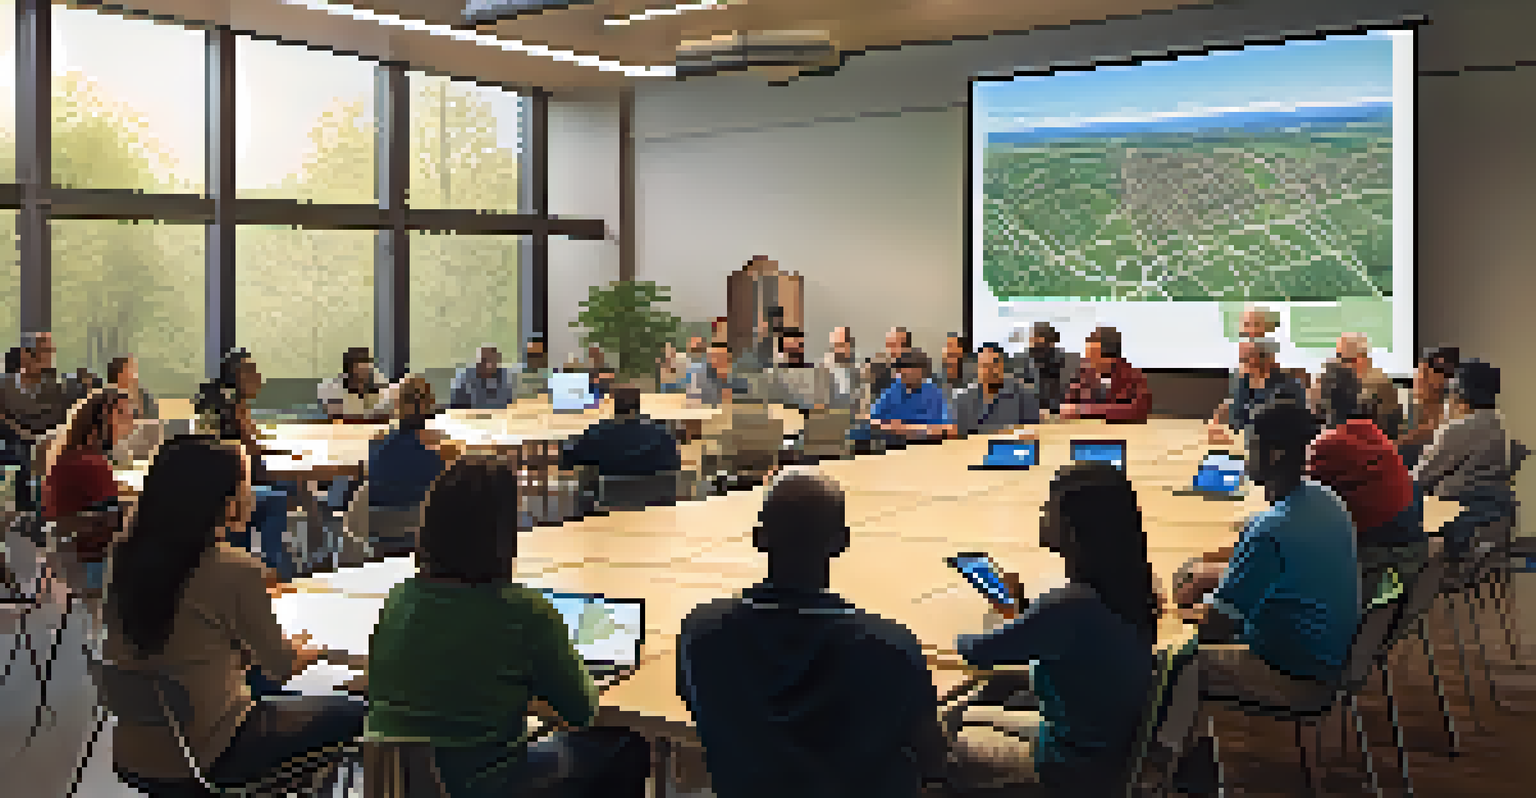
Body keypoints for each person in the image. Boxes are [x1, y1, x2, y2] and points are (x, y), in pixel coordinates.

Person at [366, 455, 652, 798]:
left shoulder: (398, 599)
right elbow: (581, 712)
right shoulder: (522, 611)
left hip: (398, 785)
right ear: (503, 533)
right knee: (624, 746)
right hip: (483, 788)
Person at [105, 435, 364, 793]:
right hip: (211, 751)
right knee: (356, 710)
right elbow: (282, 666)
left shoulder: (124, 557)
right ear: (225, 502)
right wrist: (310, 650)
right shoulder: (234, 569)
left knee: (270, 691)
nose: (253, 495)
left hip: (139, 750)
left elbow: (182, 643)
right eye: (246, 485)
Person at [677, 468, 947, 798]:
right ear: (842, 542)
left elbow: (699, 710)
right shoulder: (891, 646)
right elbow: (932, 758)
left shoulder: (699, 632)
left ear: (758, 538)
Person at [948, 462, 1161, 797]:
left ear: (1073, 525)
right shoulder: (1130, 590)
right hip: (1107, 753)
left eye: (1049, 506)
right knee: (967, 712)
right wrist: (1022, 616)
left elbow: (975, 650)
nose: (1042, 513)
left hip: (1071, 767)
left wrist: (1003, 619)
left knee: (941, 739)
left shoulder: (1070, 606)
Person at [1174, 400, 1361, 706]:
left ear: (1273, 454)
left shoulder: (1269, 531)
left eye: (1250, 447)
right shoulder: (1327, 500)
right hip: (1329, 658)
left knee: (1170, 664)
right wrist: (1212, 580)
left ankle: (1172, 752)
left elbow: (1215, 628)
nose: (1245, 459)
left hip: (1296, 677)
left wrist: (1180, 613)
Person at [1307, 361, 1424, 590]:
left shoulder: (1327, 445)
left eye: (1312, 386)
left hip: (1375, 568)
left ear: (1323, 398)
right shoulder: (1374, 432)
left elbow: (1298, 502)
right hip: (1409, 564)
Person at [194, 349, 302, 579]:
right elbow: (249, 445)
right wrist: (285, 451)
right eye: (251, 372)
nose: (258, 378)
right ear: (236, 376)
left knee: (296, 489)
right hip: (231, 485)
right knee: (283, 496)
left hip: (236, 480)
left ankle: (284, 562)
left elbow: (252, 440)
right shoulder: (230, 405)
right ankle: (276, 569)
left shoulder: (225, 402)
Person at [1413, 359, 1515, 560]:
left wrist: (1445, 423)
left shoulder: (1458, 429)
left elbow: (1420, 478)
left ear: (1459, 393)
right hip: (1493, 515)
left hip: (1457, 516)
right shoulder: (1498, 423)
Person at [40, 388, 135, 593]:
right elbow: (113, 527)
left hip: (65, 562)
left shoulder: (68, 456)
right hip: (91, 567)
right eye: (122, 414)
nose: (131, 422)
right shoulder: (93, 464)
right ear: (100, 422)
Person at [0, 332, 91, 511]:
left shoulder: (61, 387)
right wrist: (20, 431)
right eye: (45, 352)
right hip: (15, 444)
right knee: (25, 455)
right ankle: (27, 513)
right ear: (26, 355)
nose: (50, 359)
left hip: (51, 442)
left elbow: (80, 407)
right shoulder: (4, 386)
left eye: (51, 352)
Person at [367, 376, 452, 512]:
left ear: (397, 405)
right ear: (431, 404)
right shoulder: (441, 457)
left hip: (377, 528)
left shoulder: (375, 449)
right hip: (427, 528)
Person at [559, 386, 682, 477]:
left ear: (614, 406)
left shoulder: (595, 435)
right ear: (638, 406)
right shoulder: (662, 436)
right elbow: (675, 464)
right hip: (655, 503)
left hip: (605, 506)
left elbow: (567, 461)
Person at [1207, 338, 1306, 444]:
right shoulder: (1243, 382)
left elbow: (1277, 429)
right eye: (1242, 359)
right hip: (1239, 444)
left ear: (1267, 360)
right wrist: (1215, 422)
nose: (1241, 364)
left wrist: (1234, 439)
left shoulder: (1287, 389)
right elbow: (1230, 406)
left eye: (1247, 359)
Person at [1060, 327, 1152, 423]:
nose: (1087, 358)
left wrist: (1086, 410)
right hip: (1087, 432)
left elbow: (1138, 411)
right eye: (1086, 354)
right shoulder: (1084, 374)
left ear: (1111, 358)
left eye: (1092, 354)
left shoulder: (1133, 377)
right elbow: (1068, 405)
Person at [949, 343, 1041, 435]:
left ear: (1003, 365)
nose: (990, 369)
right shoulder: (964, 400)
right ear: (977, 368)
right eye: (985, 365)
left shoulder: (1024, 396)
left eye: (995, 363)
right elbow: (961, 436)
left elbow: (1034, 431)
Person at [1327, 332, 1403, 440]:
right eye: (1339, 358)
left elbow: (1388, 428)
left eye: (1346, 359)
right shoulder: (1334, 380)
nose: (1342, 364)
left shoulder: (1381, 384)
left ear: (1362, 357)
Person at [869, 350, 958, 441]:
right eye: (902, 369)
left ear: (923, 372)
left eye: (911, 368)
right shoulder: (892, 391)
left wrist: (903, 428)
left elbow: (948, 428)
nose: (905, 373)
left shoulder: (934, 393)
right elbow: (872, 420)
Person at [1396, 346, 1460, 470]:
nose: (1417, 379)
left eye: (1424, 375)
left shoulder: (1449, 425)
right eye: (1419, 372)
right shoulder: (1410, 410)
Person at [316, 347, 395, 420]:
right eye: (360, 365)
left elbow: (389, 409)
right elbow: (334, 414)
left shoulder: (378, 383)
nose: (365, 369)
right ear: (350, 369)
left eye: (367, 364)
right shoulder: (334, 388)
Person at [1016, 322, 1073, 413]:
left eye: (1035, 337)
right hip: (1030, 411)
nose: (1031, 340)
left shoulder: (1063, 361)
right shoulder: (1025, 361)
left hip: (1057, 410)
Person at [450, 345, 517, 410]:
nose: (488, 365)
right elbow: (456, 406)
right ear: (477, 362)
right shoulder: (465, 379)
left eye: (492, 360)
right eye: (484, 360)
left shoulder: (505, 377)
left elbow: (510, 403)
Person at [687, 342, 748, 407]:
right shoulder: (702, 378)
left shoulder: (739, 378)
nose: (715, 360)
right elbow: (696, 398)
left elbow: (744, 399)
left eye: (719, 356)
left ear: (729, 358)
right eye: (712, 357)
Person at [822, 326, 865, 415]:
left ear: (849, 345)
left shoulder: (858, 369)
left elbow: (860, 400)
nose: (838, 350)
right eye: (835, 345)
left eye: (841, 345)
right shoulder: (823, 370)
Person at [866, 327, 914, 401]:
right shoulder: (878, 370)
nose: (891, 349)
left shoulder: (916, 369)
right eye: (889, 344)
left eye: (895, 345)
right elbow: (875, 399)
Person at [106, 355, 159, 421]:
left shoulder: (142, 395)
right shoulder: (106, 397)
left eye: (134, 370)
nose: (135, 375)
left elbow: (153, 417)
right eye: (131, 370)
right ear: (119, 374)